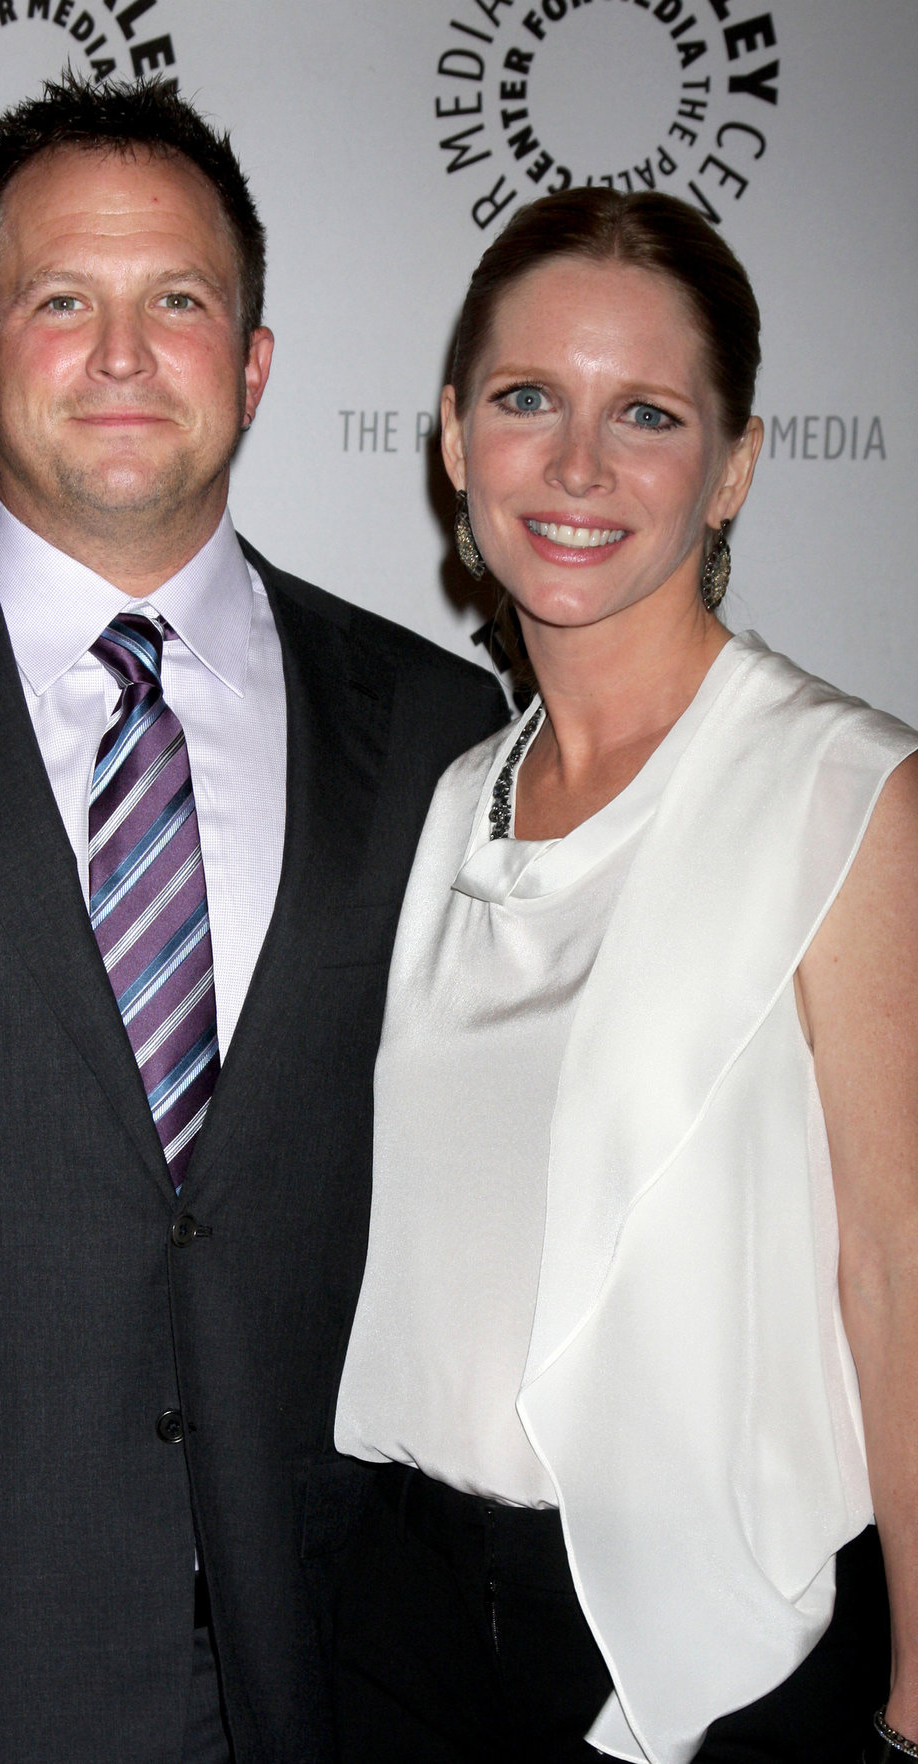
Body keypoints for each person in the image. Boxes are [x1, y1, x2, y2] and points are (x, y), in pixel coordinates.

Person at [0, 76, 506, 1764]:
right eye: (60, 302)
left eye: (178, 302)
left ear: (252, 365)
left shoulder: (442, 728)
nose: (119, 353)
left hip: (319, 1674)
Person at [333, 187, 918, 1764]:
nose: (578, 467)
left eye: (645, 414)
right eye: (529, 399)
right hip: (407, 1618)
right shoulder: (459, 793)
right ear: (456, 437)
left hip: (711, 1643)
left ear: (731, 467)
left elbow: (900, 1265)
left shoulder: (844, 795)